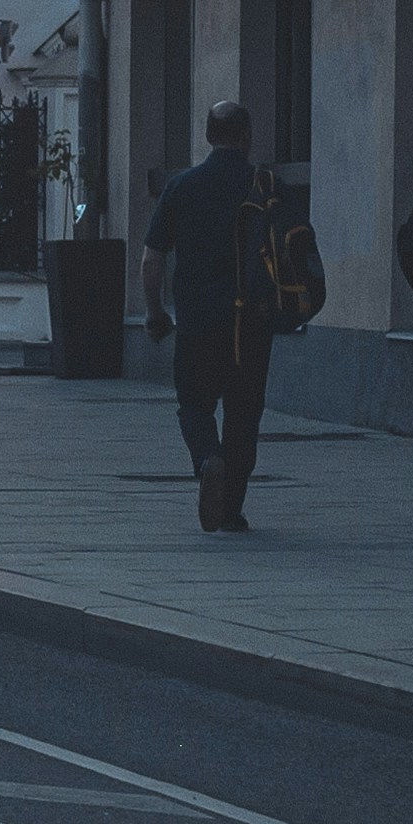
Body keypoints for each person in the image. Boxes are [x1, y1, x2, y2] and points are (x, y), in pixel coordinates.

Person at [140, 100, 275, 531]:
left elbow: (151, 259)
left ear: (207, 136)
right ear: (246, 135)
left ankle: (207, 459)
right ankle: (231, 509)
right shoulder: (263, 186)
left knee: (195, 404)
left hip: (198, 322)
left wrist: (155, 312)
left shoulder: (182, 187)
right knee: (244, 412)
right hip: (252, 322)